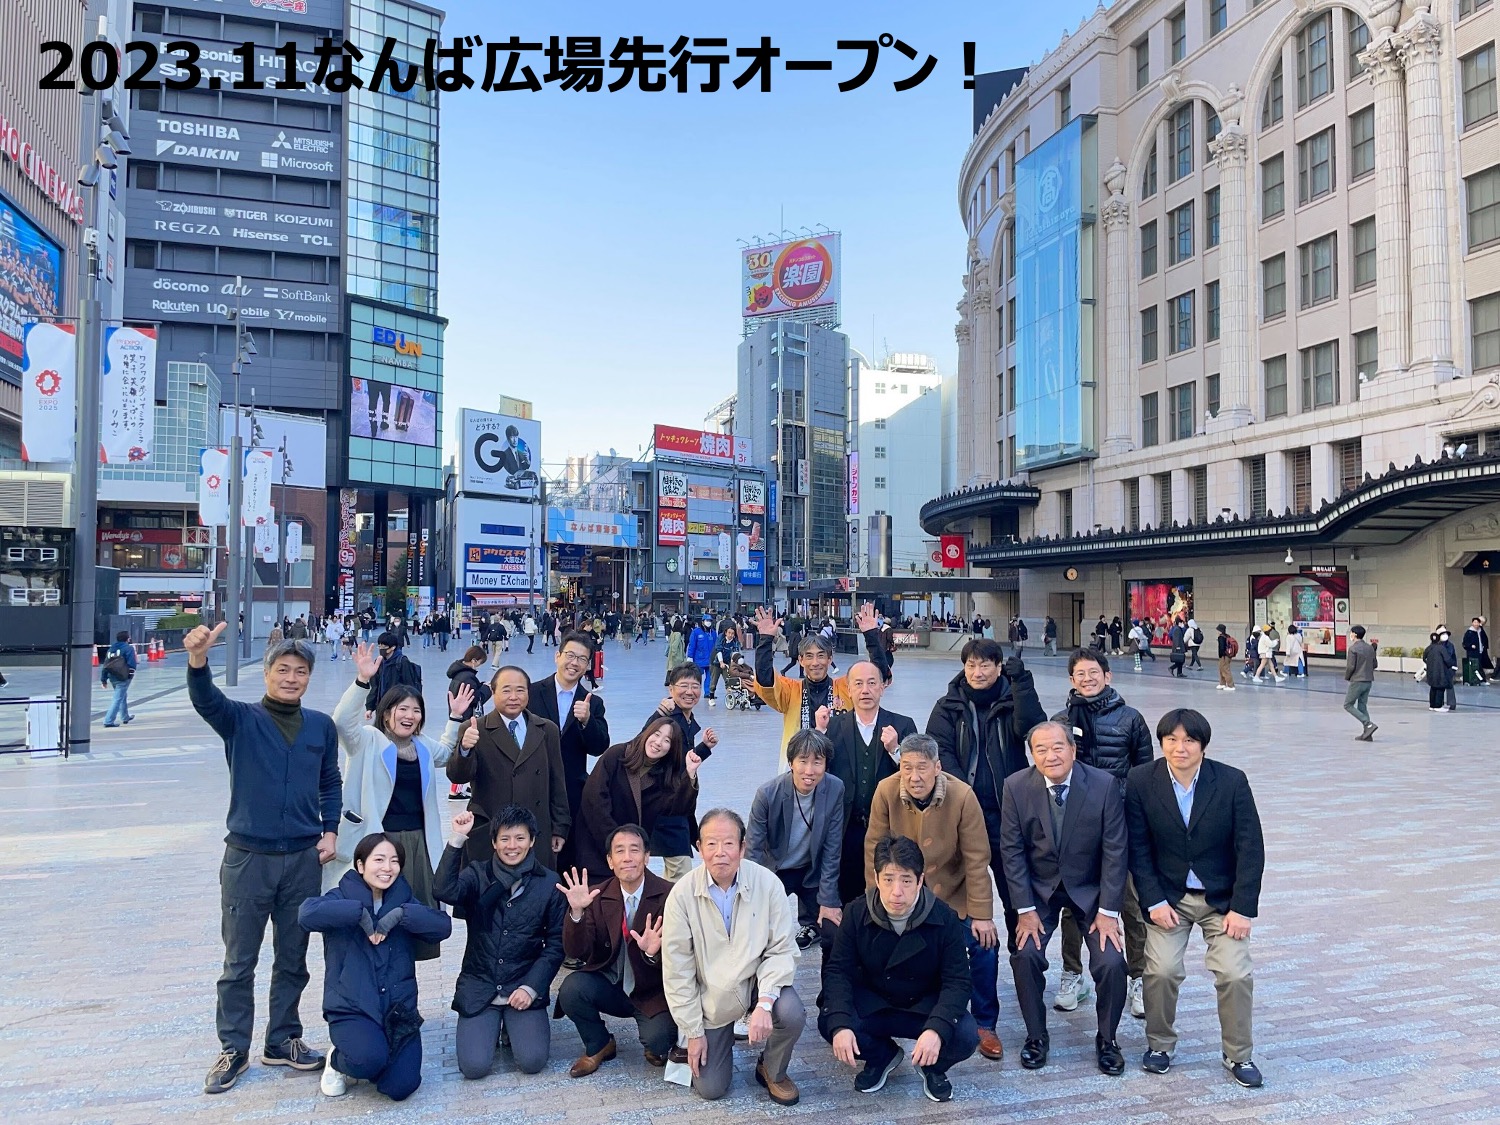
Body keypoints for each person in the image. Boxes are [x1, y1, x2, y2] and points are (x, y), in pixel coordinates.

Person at [184, 623, 339, 1094]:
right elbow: (206, 700)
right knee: (239, 961)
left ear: (309, 677)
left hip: (302, 859)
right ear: (267, 673)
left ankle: (282, 1038)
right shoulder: (240, 719)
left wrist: (330, 829)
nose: (292, 678)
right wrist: (198, 660)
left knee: (294, 956)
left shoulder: (320, 726)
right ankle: (234, 1047)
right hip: (248, 859)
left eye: (300, 671)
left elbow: (329, 781)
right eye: (283, 669)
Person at [1126, 708, 1266, 1088]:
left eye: (1189, 740)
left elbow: (1250, 847)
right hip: (1168, 898)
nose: (1180, 747)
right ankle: (1160, 1045)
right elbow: (1137, 847)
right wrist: (1153, 901)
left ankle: (1238, 1054)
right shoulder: (1141, 780)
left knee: (1235, 973)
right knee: (1161, 971)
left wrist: (1242, 908)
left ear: (1203, 745)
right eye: (1171, 739)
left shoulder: (1231, 781)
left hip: (1222, 900)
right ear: (1161, 743)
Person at [999, 722, 1128, 1076]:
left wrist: (1108, 911)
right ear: (1032, 755)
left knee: (1111, 961)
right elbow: (1012, 851)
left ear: (1072, 749)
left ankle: (1108, 1039)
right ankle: (1036, 1036)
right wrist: (1025, 909)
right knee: (1025, 954)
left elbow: (1116, 851)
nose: (1050, 755)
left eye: (1058, 747)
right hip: (1040, 890)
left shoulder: (1103, 785)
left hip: (1091, 889)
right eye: (1040, 749)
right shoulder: (1015, 786)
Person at [331, 644, 475, 957]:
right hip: (377, 840)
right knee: (376, 915)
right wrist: (361, 681)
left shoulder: (421, 745)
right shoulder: (367, 740)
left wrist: (455, 717)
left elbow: (446, 752)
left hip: (417, 843)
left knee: (412, 917)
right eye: (403, 709)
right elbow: (341, 723)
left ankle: (403, 979)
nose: (410, 716)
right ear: (386, 713)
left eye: (416, 710)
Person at [866, 733, 1000, 1061]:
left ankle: (985, 1022)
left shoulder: (962, 796)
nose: (914, 777)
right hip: (903, 896)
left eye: (922, 768)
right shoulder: (886, 791)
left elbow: (977, 859)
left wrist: (982, 914)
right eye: (907, 767)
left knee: (984, 945)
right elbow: (874, 851)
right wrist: (877, 901)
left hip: (952, 894)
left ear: (937, 767)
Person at [661, 808, 805, 1105]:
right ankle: (719, 1039)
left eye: (729, 843)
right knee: (711, 1088)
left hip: (756, 984)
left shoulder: (767, 884)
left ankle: (772, 1069)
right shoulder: (682, 895)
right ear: (699, 848)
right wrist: (693, 1031)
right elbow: (678, 971)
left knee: (791, 1012)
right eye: (711, 844)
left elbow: (782, 949)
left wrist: (765, 1002)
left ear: (742, 847)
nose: (720, 852)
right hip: (712, 999)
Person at [819, 835, 978, 1103]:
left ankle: (932, 1067)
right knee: (831, 1021)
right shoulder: (856, 912)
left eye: (906, 880)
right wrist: (841, 1024)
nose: (896, 892)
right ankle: (881, 1056)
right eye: (888, 879)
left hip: (923, 1005)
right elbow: (838, 971)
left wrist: (937, 1029)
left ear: (920, 880)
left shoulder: (944, 918)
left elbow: (958, 981)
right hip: (875, 1003)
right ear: (876, 878)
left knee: (965, 1034)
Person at [925, 638, 1046, 986]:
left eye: (985, 665)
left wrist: (1022, 683)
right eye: (971, 665)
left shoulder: (1012, 698)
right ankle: (952, 973)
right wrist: (964, 798)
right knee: (956, 895)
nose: (977, 672)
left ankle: (1026, 970)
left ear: (998, 667)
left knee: (1017, 897)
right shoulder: (948, 705)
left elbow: (1033, 729)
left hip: (1008, 816)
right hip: (963, 817)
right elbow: (940, 752)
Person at [299, 834, 452, 1100]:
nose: (387, 868)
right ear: (361, 865)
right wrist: (358, 913)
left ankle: (375, 1055)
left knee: (401, 1086)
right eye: (378, 860)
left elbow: (442, 927)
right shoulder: (341, 895)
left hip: (398, 1011)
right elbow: (306, 914)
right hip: (352, 1008)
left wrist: (401, 915)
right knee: (368, 1060)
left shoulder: (404, 899)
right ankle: (338, 1061)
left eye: (394, 861)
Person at [1049, 650, 1152, 1019]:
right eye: (1080, 673)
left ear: (1107, 676)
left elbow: (1144, 775)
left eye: (1093, 672)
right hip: (1074, 829)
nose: (1087, 679)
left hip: (1119, 826)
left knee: (1130, 904)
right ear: (1071, 680)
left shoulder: (1130, 719)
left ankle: (1139, 977)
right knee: (1072, 905)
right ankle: (1073, 973)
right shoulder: (1061, 722)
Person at [436, 806, 567, 1079]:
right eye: (505, 838)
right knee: (474, 1067)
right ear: (494, 842)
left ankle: (511, 1026)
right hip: (480, 984)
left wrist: (531, 988)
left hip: (522, 983)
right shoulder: (477, 874)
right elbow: (444, 890)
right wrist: (457, 839)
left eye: (520, 838)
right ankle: (493, 1025)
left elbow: (556, 945)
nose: (512, 846)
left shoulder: (548, 883)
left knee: (532, 1061)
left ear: (532, 840)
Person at [556, 824, 679, 1076]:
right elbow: (577, 950)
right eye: (619, 851)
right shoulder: (597, 895)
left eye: (635, 850)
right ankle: (599, 1043)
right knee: (572, 989)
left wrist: (652, 953)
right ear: (610, 861)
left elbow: (682, 959)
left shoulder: (670, 896)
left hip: (651, 990)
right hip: (610, 984)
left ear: (647, 856)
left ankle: (653, 1044)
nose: (627, 857)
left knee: (660, 1042)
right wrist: (577, 913)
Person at [447, 665, 570, 865]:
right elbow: (458, 776)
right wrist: (465, 749)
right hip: (492, 832)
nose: (514, 697)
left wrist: (559, 827)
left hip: (535, 831)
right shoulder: (475, 729)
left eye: (520, 690)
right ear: (493, 692)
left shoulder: (547, 729)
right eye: (506, 690)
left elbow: (557, 783)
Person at [818, 660, 918, 904]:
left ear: (882, 687)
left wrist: (895, 750)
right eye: (858, 684)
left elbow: (918, 778)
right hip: (846, 828)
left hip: (890, 828)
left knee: (888, 891)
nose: (865, 690)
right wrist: (819, 733)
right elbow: (819, 773)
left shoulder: (903, 725)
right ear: (848, 689)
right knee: (848, 893)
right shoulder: (833, 726)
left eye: (872, 683)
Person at [747, 729, 847, 954]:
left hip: (812, 869)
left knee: (832, 929)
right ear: (791, 762)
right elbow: (752, 851)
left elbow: (832, 848)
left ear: (826, 765)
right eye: (803, 761)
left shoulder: (835, 788)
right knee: (759, 933)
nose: (809, 771)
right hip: (775, 869)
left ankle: (811, 927)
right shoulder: (767, 794)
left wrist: (829, 901)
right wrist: (751, 899)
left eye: (817, 762)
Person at [750, 602, 890, 757]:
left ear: (830, 659)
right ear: (801, 660)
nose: (815, 663)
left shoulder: (846, 687)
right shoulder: (790, 691)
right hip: (801, 765)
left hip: (842, 765)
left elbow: (878, 675)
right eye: (809, 656)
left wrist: (871, 636)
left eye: (821, 656)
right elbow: (765, 679)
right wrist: (765, 640)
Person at [574, 716, 702, 876]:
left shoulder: (663, 777)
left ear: (672, 748)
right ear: (647, 733)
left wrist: (690, 773)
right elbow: (594, 799)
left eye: (667, 740)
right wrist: (615, 842)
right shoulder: (617, 755)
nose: (658, 742)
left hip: (630, 855)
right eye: (656, 734)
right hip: (595, 844)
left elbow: (678, 808)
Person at [527, 631, 611, 870]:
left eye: (582, 659)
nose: (574, 663)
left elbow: (599, 746)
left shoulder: (592, 702)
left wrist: (587, 722)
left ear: (588, 665)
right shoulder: (532, 693)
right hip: (532, 787)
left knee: (566, 858)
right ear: (558, 656)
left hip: (571, 793)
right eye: (570, 655)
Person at [643, 663, 719, 879]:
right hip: (666, 807)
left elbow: (681, 759)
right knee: (680, 873)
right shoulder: (667, 719)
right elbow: (642, 745)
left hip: (678, 807)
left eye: (695, 686)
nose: (690, 692)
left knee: (674, 872)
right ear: (671, 689)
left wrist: (704, 748)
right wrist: (657, 714)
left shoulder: (685, 718)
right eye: (683, 686)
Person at [364, 632, 422, 715]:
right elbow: (375, 686)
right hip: (382, 707)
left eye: (384, 647)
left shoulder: (402, 662)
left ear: (393, 647)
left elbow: (410, 686)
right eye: (379, 646)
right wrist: (369, 708)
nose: (381, 649)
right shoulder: (379, 662)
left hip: (397, 707)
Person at [1342, 625, 1379, 741]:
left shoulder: (1353, 649)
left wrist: (1347, 677)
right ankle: (1367, 734)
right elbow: (1375, 664)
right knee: (1362, 705)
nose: (1350, 635)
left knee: (1348, 704)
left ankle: (1368, 724)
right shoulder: (1370, 648)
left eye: (1351, 632)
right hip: (1368, 680)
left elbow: (1350, 666)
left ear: (1355, 634)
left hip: (1357, 680)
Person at [100, 630, 137, 728]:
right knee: (117, 698)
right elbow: (131, 663)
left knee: (122, 695)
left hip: (112, 676)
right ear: (127, 638)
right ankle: (108, 720)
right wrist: (130, 675)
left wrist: (103, 679)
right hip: (123, 676)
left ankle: (125, 716)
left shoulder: (111, 649)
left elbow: (105, 664)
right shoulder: (128, 648)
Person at [1422, 630, 1457, 712]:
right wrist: (1451, 665)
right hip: (1441, 672)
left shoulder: (1428, 648)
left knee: (1433, 688)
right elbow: (1448, 660)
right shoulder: (1441, 648)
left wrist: (1430, 664)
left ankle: (1432, 705)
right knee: (1440, 688)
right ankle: (1438, 706)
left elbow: (1424, 658)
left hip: (1431, 672)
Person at [708, 624, 741, 705]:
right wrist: (721, 662)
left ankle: (729, 697)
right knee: (714, 681)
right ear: (725, 633)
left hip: (727, 662)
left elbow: (735, 652)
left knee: (729, 680)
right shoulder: (721, 638)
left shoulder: (734, 642)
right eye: (729, 633)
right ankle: (711, 697)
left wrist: (735, 663)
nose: (730, 635)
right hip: (716, 662)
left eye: (732, 633)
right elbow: (718, 650)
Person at [687, 616, 716, 696]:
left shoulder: (713, 633)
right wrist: (690, 656)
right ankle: (694, 692)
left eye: (710, 620)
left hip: (710, 659)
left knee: (710, 677)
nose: (708, 622)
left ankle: (708, 692)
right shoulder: (696, 632)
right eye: (707, 620)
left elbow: (716, 646)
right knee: (697, 677)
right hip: (699, 659)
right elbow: (692, 645)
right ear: (702, 622)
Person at [1215, 625, 1238, 691]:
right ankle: (1222, 683)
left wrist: (1220, 655)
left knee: (1225, 670)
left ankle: (1231, 685)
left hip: (1224, 656)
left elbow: (1222, 647)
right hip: (1227, 656)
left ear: (1220, 630)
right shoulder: (1227, 636)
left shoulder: (1221, 637)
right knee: (1221, 669)